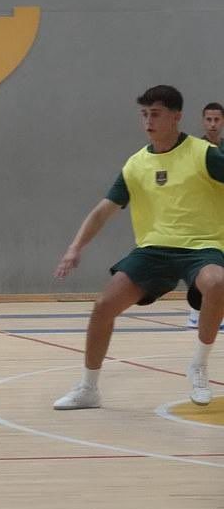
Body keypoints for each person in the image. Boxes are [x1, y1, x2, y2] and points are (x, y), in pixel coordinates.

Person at [52, 85, 224, 409]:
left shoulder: (205, 154)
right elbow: (103, 210)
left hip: (201, 248)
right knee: (103, 306)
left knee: (217, 283)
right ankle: (89, 388)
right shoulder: (135, 165)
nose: (148, 121)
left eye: (155, 114)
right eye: (144, 114)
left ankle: (199, 366)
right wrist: (75, 248)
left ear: (176, 117)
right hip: (153, 250)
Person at [186, 102, 224, 328]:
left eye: (216, 119)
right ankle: (195, 311)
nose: (212, 124)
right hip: (200, 218)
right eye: (208, 119)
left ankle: (218, 310)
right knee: (201, 266)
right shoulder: (195, 150)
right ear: (203, 121)